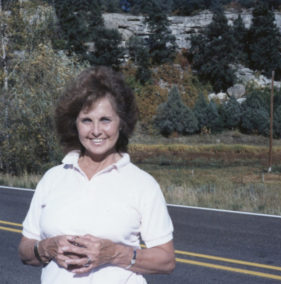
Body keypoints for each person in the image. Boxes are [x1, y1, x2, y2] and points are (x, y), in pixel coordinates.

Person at [18, 66, 175, 284]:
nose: (96, 131)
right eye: (86, 120)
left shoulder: (143, 184)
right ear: (74, 124)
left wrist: (114, 254)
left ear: (122, 123)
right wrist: (47, 248)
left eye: (105, 120)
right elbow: (26, 251)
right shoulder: (53, 178)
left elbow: (166, 261)